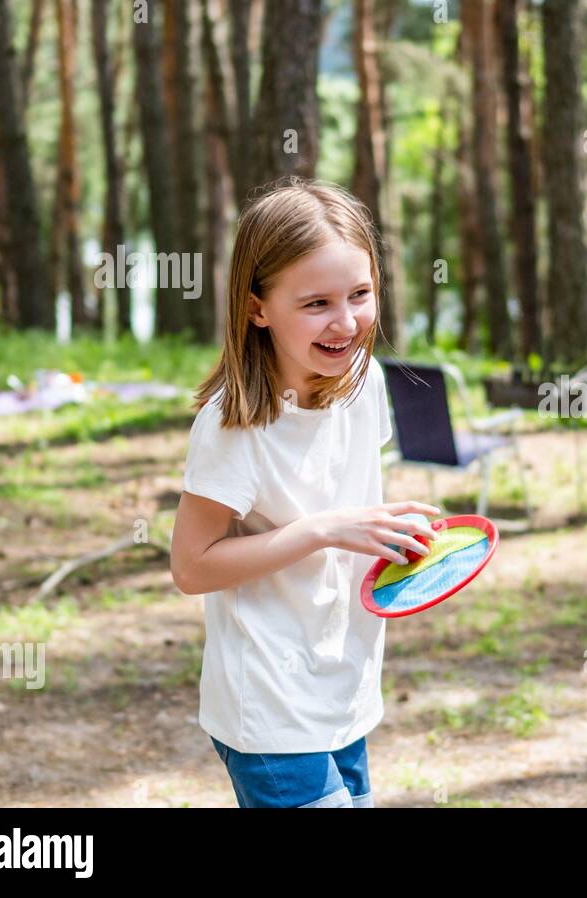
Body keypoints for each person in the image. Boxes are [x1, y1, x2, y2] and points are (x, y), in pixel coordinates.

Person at [169, 178, 440, 807]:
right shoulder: (233, 423)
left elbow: (351, 511)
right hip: (270, 704)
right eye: (315, 303)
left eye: (361, 294)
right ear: (256, 306)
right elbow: (190, 566)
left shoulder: (364, 380)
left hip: (344, 686)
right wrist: (322, 530)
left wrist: (400, 549)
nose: (345, 322)